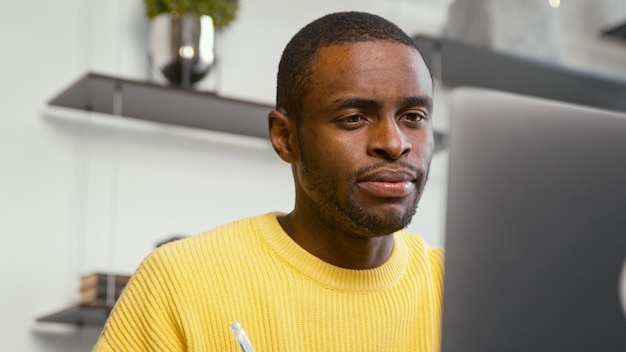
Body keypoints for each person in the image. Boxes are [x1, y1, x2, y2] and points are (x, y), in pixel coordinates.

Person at [93, 11, 442, 352]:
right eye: (353, 118)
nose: (395, 144)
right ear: (285, 138)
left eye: (413, 117)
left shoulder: (461, 288)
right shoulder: (179, 281)